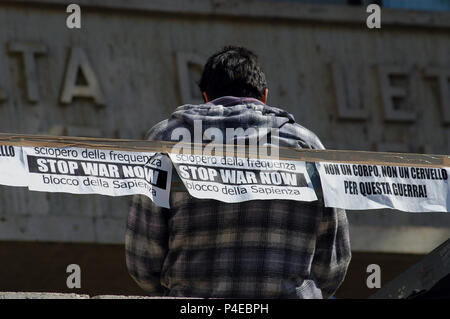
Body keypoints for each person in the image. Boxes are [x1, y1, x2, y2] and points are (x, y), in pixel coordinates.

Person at [125, 46, 351, 298]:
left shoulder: (165, 141)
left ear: (206, 95)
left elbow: (143, 260)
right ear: (264, 96)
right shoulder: (306, 146)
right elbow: (333, 264)